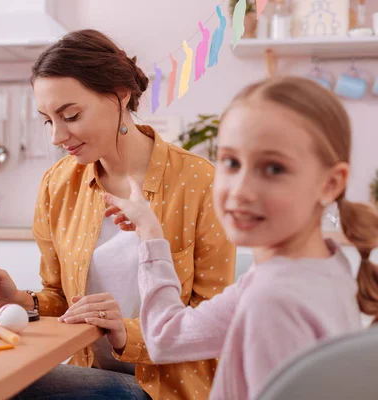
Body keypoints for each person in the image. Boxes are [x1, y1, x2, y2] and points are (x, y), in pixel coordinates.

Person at [0, 29, 235, 399]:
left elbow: (217, 323)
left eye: (71, 115)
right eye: (48, 120)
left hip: (171, 388)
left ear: (119, 95)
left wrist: (126, 332)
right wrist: (19, 299)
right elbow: (60, 300)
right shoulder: (59, 184)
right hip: (90, 375)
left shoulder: (200, 182)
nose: (56, 137)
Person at [103, 76, 376, 399]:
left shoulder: (272, 302)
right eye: (231, 162)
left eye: (274, 169)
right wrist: (149, 229)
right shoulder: (326, 267)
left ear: (330, 184)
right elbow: (165, 338)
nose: (240, 190)